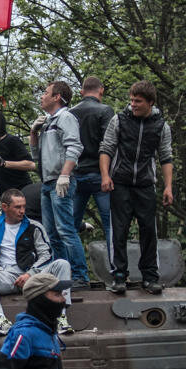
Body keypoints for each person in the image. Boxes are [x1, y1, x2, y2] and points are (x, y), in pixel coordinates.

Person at [0, 189, 74, 337]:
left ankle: (60, 317)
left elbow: (47, 255)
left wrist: (30, 274)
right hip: (7, 277)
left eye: (23, 207)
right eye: (17, 207)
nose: (22, 211)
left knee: (62, 264)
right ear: (4, 207)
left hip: (34, 277)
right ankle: (0, 319)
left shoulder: (34, 226)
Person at [98, 80, 174, 295]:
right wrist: (105, 176)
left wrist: (168, 187)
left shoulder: (161, 126)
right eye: (131, 100)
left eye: (138, 101)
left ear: (150, 102)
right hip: (120, 182)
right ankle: (119, 275)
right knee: (119, 230)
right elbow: (106, 148)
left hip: (145, 184)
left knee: (149, 230)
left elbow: (166, 157)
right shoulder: (119, 120)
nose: (133, 104)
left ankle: (150, 276)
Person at [29, 81, 90, 288]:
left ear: (56, 97)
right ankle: (61, 275)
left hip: (60, 181)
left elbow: (75, 146)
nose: (42, 96)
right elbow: (36, 157)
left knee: (65, 229)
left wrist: (65, 175)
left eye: (46, 93)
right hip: (47, 182)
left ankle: (81, 276)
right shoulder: (48, 122)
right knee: (51, 233)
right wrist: (33, 134)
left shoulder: (66, 117)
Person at [68, 77, 115, 249]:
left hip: (76, 173)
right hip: (99, 173)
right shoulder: (105, 111)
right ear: (101, 90)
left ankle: (70, 268)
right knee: (111, 224)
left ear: (81, 92)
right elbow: (110, 143)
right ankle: (116, 269)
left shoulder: (70, 113)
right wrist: (109, 174)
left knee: (70, 225)